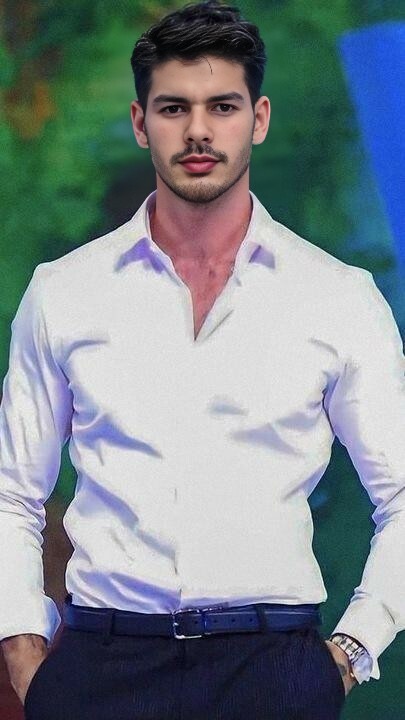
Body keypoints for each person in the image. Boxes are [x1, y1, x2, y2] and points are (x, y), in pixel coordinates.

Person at [1, 1, 404, 718]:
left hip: (273, 666)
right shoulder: (63, 292)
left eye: (222, 106)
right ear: (139, 122)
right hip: (102, 666)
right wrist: (23, 648)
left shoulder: (338, 297)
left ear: (259, 119)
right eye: (173, 108)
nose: (197, 131)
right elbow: (13, 495)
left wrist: (351, 650)